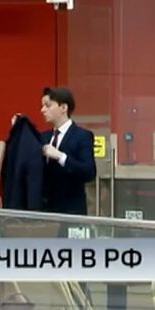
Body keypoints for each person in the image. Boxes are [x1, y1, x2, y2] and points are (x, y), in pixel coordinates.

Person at [39, 86, 97, 216]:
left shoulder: (82, 136)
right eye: (42, 106)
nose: (42, 110)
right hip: (46, 213)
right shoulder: (43, 137)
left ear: (63, 108)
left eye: (48, 105)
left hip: (71, 212)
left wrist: (61, 157)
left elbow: (89, 172)